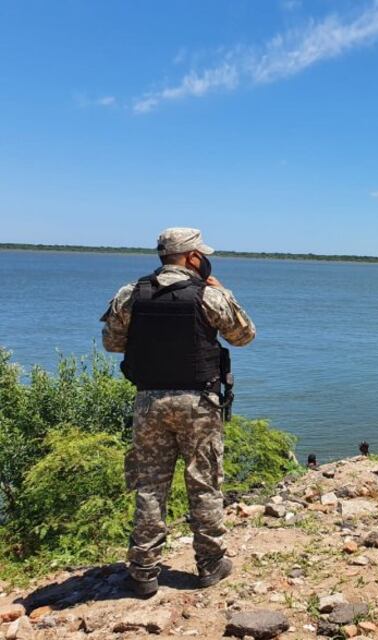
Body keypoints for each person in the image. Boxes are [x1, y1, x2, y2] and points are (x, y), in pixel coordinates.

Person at [101, 228, 256, 596]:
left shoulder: (130, 294)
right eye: (200, 254)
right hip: (197, 402)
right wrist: (221, 291)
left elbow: (111, 343)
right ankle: (210, 563)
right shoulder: (208, 295)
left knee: (150, 486)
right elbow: (244, 335)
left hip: (149, 401)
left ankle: (143, 571)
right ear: (191, 257)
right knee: (203, 481)